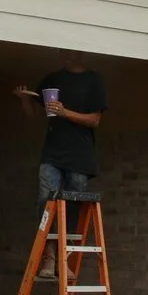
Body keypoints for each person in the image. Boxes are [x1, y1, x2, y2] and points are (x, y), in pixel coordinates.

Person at [14, 49, 108, 278]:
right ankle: (49, 258)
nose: (64, 54)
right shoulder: (51, 80)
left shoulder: (93, 81)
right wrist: (25, 100)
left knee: (72, 205)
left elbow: (94, 120)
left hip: (79, 155)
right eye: (62, 51)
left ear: (80, 53)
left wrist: (65, 112)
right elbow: (33, 116)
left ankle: (64, 260)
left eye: (69, 51)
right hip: (52, 152)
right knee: (46, 201)